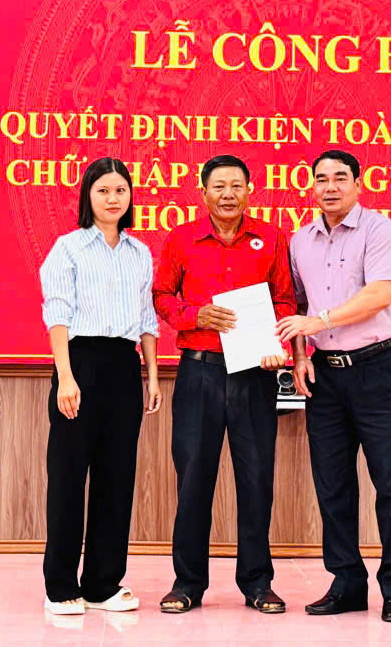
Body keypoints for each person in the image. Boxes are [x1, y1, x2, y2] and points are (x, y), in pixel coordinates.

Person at [275, 149, 391, 623]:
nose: (330, 186)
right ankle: (347, 583)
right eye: (321, 179)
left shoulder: (382, 231)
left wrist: (319, 322)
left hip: (378, 368)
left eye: (340, 177)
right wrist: (300, 356)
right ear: (311, 186)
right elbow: (295, 305)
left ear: (358, 183)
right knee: (332, 484)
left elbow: (380, 294)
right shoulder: (300, 241)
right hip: (327, 375)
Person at [152, 154, 295, 614]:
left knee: (256, 478)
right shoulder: (181, 239)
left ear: (250, 190)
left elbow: (285, 300)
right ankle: (187, 583)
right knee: (194, 479)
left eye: (236, 185)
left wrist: (277, 344)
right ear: (204, 193)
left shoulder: (272, 238)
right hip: (200, 372)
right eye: (219, 186)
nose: (228, 194)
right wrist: (194, 315)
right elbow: (161, 296)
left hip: (254, 373)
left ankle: (258, 583)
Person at [39, 157, 162, 616]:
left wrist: (151, 375)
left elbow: (147, 319)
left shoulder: (139, 252)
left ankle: (103, 584)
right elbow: (57, 312)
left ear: (130, 196)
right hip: (79, 364)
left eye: (120, 190)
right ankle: (60, 586)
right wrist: (66, 377)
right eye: (103, 190)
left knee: (117, 478)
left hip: (124, 367)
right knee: (68, 477)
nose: (113, 199)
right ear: (87, 196)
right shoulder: (68, 248)